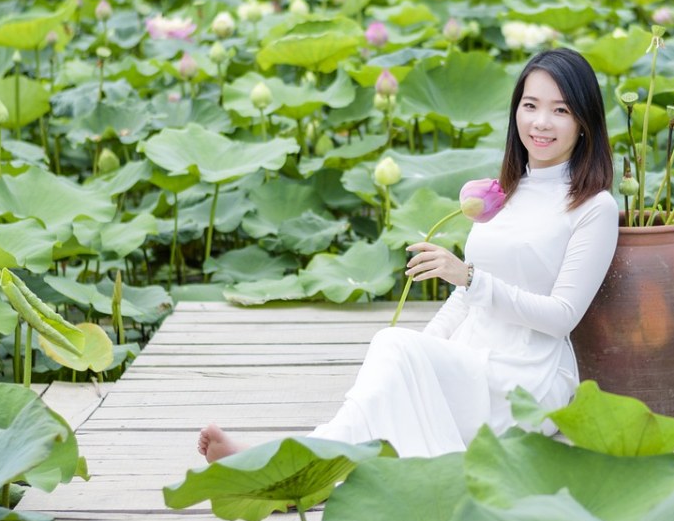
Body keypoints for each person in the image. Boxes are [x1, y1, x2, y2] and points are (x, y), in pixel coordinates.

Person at [198, 47, 618, 460]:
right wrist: (420, 349)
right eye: (530, 105)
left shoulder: (593, 207)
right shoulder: (500, 193)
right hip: (471, 361)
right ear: (516, 113)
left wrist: (470, 278)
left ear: (584, 122)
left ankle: (279, 463)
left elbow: (562, 315)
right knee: (396, 355)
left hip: (529, 380)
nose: (541, 122)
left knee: (395, 353)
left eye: (560, 110)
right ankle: (291, 461)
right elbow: (464, 298)